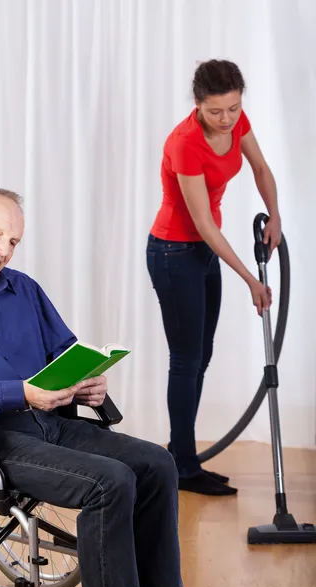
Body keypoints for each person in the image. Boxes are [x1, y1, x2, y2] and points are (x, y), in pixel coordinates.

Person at [0, 187, 189, 587]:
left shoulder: (24, 289)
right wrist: (19, 394)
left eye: (12, 242)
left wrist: (87, 379)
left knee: (158, 464)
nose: (3, 250)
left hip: (52, 421)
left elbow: (65, 351)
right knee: (109, 483)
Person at [146, 59, 281, 496]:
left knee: (199, 356)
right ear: (198, 103)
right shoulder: (185, 142)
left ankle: (181, 456)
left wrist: (275, 215)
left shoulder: (238, 122)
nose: (227, 120)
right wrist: (250, 279)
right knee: (185, 360)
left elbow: (260, 168)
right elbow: (202, 223)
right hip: (173, 252)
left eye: (234, 109)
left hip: (204, 252)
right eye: (216, 112)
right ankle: (182, 466)